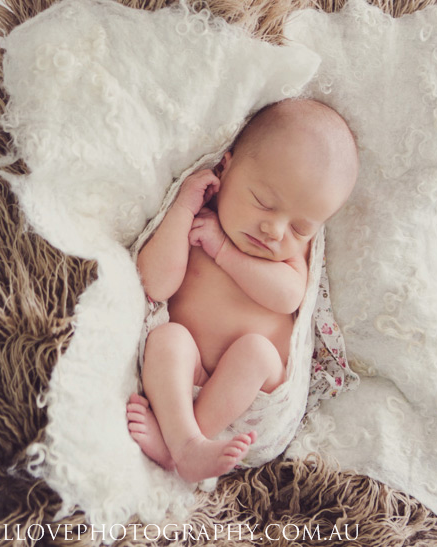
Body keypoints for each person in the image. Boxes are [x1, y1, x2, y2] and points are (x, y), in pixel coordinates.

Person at [126, 98, 359, 483]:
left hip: (254, 401)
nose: (276, 231)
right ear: (225, 167)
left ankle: (183, 444)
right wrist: (183, 208)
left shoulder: (289, 255)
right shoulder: (197, 216)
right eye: (263, 203)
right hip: (186, 382)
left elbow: (288, 297)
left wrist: (223, 252)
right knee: (168, 338)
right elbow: (154, 283)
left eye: (300, 228)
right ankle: (185, 443)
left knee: (256, 351)